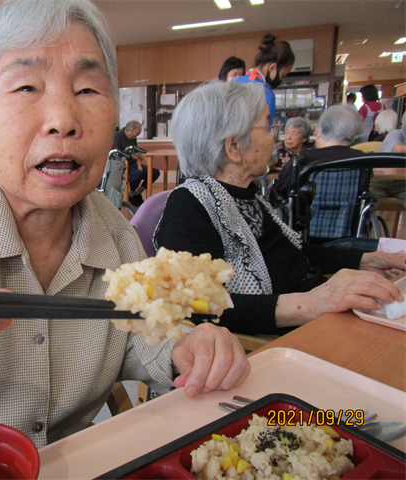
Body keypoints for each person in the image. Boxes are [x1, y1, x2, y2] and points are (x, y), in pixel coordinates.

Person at [0, 1, 250, 477]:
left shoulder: (113, 232)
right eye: (26, 86)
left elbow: (140, 336)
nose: (63, 119)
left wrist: (191, 347)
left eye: (88, 89)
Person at [153, 81, 406, 336]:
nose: (276, 134)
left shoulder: (247, 196)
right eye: (267, 125)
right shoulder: (189, 205)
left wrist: (364, 260)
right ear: (234, 147)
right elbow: (197, 304)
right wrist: (311, 303)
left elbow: (294, 251)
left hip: (318, 319)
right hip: (286, 341)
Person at [275, 104, 365, 199]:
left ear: (319, 132)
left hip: (306, 213)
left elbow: (281, 189)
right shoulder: (361, 158)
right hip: (350, 213)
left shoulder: (302, 158)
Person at [236, 34, 295, 121]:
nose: (281, 79)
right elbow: (267, 131)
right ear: (272, 68)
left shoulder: (234, 82)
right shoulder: (266, 93)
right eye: (282, 75)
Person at [113, 120, 160, 206]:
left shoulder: (133, 138)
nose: (135, 137)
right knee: (138, 174)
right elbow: (117, 153)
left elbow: (136, 153)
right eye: (135, 135)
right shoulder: (117, 136)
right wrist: (131, 157)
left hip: (133, 164)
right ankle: (132, 193)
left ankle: (137, 193)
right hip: (123, 165)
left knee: (154, 172)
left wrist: (139, 164)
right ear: (127, 131)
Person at [370, 111, 406, 206]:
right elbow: (398, 150)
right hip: (380, 180)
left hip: (403, 183)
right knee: (367, 206)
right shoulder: (395, 134)